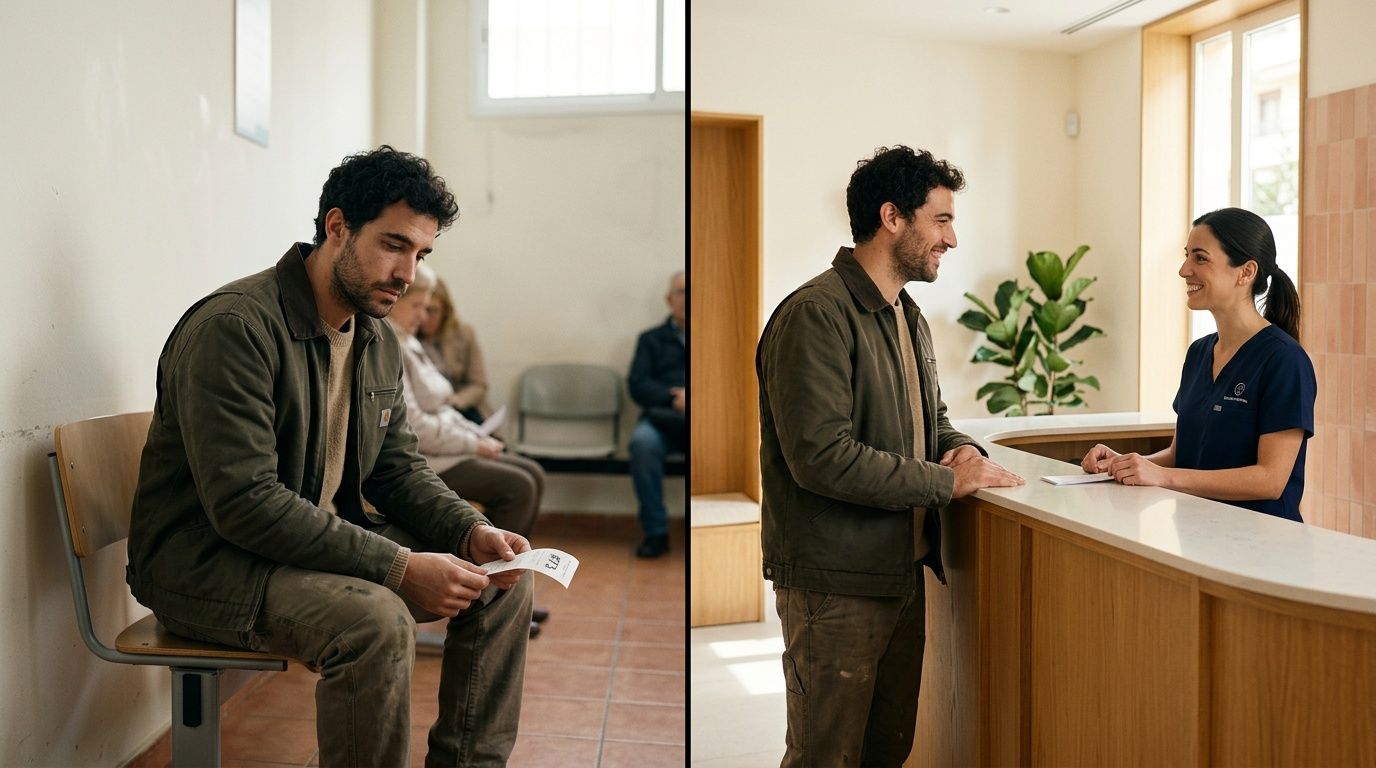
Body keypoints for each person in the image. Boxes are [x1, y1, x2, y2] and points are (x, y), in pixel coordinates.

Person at [127, 146, 533, 767]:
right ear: (337, 226)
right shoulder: (236, 328)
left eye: (420, 255)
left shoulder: (375, 340)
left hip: (303, 551)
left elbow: (396, 468)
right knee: (374, 622)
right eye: (394, 245)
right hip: (206, 563)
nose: (408, 274)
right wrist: (398, 565)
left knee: (502, 582)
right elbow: (246, 505)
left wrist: (469, 529)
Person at [756, 145, 1024, 767]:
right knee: (826, 756)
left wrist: (964, 455)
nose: (952, 238)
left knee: (886, 752)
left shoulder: (908, 313)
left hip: (900, 574)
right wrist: (944, 484)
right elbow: (821, 457)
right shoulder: (815, 315)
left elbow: (932, 423)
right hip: (834, 582)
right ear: (893, 218)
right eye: (941, 219)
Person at [1081, 207, 1315, 522]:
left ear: (1245, 272)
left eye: (1200, 258)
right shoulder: (1199, 353)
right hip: (1198, 538)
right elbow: (1181, 456)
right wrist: (1125, 464)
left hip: (1262, 546)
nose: (1184, 269)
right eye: (1187, 255)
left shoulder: (1284, 360)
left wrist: (1163, 477)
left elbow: (1270, 480)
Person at [388, 260, 551, 636]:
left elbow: (443, 407)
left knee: (531, 472)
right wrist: (473, 444)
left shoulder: (409, 340)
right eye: (418, 306)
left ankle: (509, 589)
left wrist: (478, 437)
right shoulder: (390, 343)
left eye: (429, 308)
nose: (423, 315)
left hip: (451, 446)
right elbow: (416, 426)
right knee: (519, 486)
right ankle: (493, 589)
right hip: (433, 458)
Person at [627, 271, 686, 558]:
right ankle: (656, 532)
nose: (688, 298)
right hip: (661, 419)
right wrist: (673, 398)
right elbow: (637, 385)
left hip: (704, 421)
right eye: (682, 292)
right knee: (642, 444)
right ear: (669, 299)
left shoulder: (716, 334)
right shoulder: (650, 340)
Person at [418, 276, 493, 424]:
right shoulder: (406, 339)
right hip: (430, 415)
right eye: (420, 308)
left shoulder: (464, 334)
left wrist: (457, 401)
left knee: (494, 445)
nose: (423, 317)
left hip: (464, 409)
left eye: (432, 311)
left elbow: (479, 385)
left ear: (445, 311)